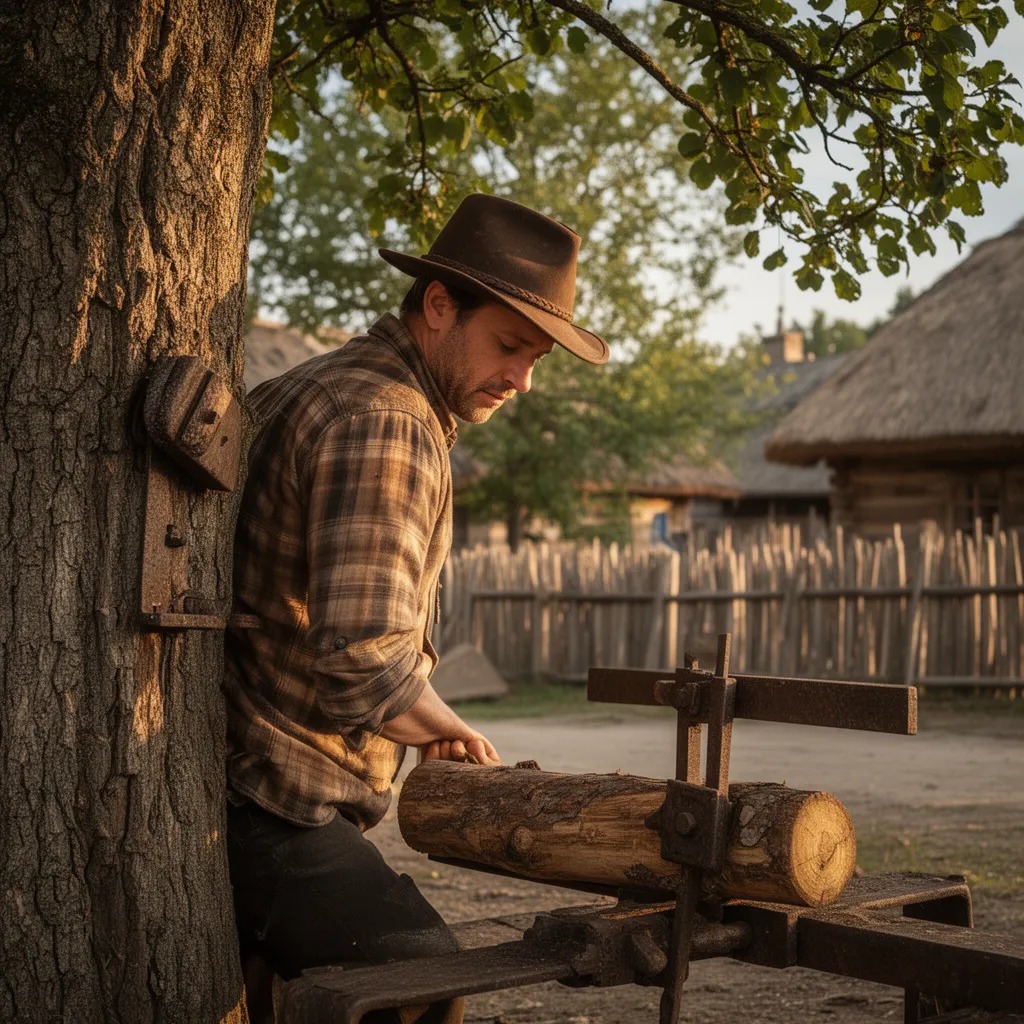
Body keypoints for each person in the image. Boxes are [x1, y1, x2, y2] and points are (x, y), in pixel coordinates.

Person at [223, 193, 609, 1021]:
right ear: (439, 306)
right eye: (510, 347)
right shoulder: (387, 421)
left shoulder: (323, 385)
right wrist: (451, 730)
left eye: (537, 358)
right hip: (270, 801)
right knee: (420, 985)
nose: (522, 381)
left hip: (245, 775)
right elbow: (363, 657)